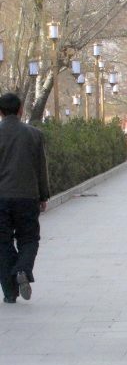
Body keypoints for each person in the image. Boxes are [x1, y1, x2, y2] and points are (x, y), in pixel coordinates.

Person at [0, 93, 50, 304]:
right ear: (21, 110)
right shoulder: (34, 134)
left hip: (1, 198)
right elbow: (41, 167)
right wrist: (44, 194)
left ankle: (10, 292)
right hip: (27, 197)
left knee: (2, 243)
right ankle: (22, 268)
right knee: (29, 239)